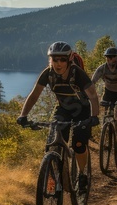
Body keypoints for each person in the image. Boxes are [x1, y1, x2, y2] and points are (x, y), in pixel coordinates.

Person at [17, 41, 100, 192]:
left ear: (69, 59)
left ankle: (82, 175)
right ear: (51, 60)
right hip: (62, 110)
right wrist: (23, 115)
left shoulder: (78, 74)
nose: (58, 63)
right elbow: (34, 94)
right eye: (55, 60)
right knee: (53, 142)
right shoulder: (48, 73)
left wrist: (94, 116)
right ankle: (52, 177)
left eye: (62, 59)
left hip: (82, 111)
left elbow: (93, 96)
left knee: (79, 145)